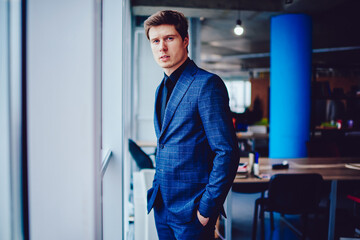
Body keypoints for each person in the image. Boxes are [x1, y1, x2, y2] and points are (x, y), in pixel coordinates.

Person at [144, 10, 240, 240]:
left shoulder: (207, 85)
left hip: (193, 211)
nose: (162, 47)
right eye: (155, 41)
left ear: (185, 40)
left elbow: (227, 152)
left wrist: (207, 209)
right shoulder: (161, 88)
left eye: (169, 38)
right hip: (163, 206)